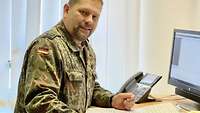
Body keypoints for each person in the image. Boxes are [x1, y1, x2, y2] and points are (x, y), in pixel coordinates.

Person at [14, 0, 135, 113]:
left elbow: (89, 89)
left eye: (95, 16)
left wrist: (112, 100)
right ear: (66, 10)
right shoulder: (48, 46)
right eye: (84, 12)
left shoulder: (86, 49)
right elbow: (40, 102)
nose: (90, 21)